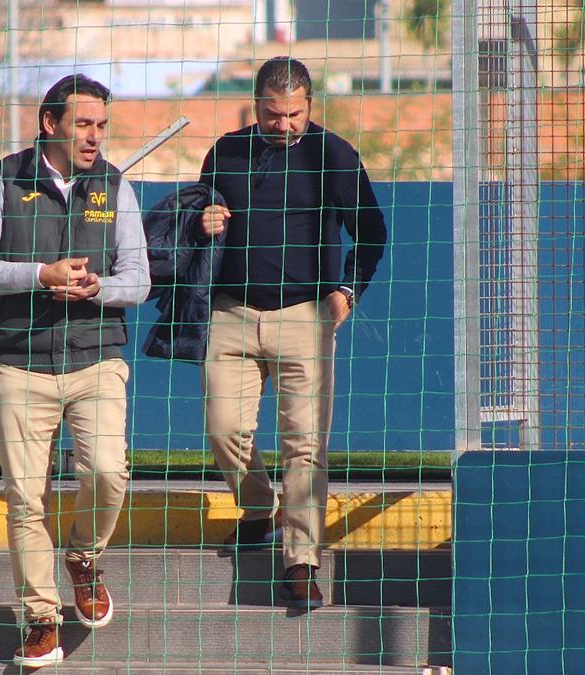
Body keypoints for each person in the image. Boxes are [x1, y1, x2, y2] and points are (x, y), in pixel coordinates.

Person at [0, 73, 150, 668]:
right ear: (52, 125)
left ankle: (84, 556)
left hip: (96, 359)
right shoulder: (4, 179)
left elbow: (139, 281)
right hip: (20, 365)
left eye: (102, 126)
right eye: (84, 125)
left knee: (108, 472)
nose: (95, 138)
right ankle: (42, 620)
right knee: (25, 500)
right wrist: (40, 274)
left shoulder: (115, 186)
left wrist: (97, 288)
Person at [198, 57, 388, 610]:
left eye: (295, 114)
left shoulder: (333, 153)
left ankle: (301, 561)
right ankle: (260, 507)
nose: (285, 125)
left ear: (310, 104)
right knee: (224, 430)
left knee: (305, 446)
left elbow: (373, 232)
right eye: (274, 114)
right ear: (255, 104)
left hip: (306, 317)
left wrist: (347, 291)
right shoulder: (226, 151)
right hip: (230, 314)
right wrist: (202, 219)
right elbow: (197, 218)